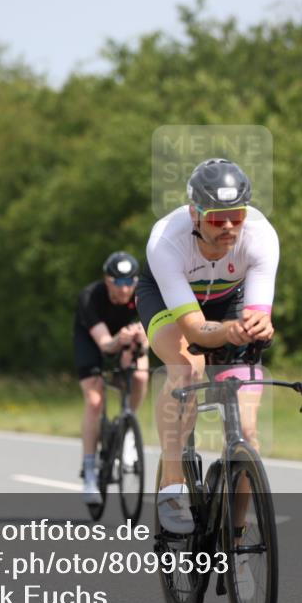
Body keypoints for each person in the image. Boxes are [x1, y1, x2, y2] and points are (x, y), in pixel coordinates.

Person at [136, 158, 279, 534]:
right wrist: (230, 331)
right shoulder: (166, 240)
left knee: (248, 432)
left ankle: (237, 537)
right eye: (217, 218)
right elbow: (196, 331)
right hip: (169, 302)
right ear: (194, 214)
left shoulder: (262, 237)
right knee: (187, 368)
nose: (229, 226)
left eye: (237, 216)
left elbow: (257, 312)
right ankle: (172, 483)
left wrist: (259, 324)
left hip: (228, 299)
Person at [74, 251, 149, 504]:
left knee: (140, 376)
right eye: (119, 282)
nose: (125, 288)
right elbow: (106, 345)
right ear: (107, 280)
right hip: (94, 342)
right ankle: (89, 472)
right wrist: (119, 339)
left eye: (130, 282)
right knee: (95, 401)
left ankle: (127, 427)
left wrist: (142, 341)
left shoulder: (143, 295)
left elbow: (151, 339)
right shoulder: (91, 297)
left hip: (125, 341)